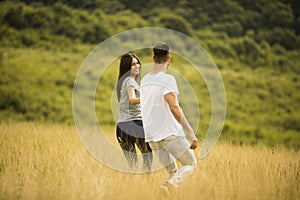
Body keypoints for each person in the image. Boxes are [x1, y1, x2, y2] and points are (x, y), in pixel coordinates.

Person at [140, 42, 198, 192]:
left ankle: (167, 190)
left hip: (152, 136)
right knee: (190, 164)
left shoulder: (145, 80)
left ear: (153, 58)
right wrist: (190, 132)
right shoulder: (168, 80)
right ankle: (170, 186)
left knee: (172, 172)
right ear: (169, 59)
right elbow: (174, 107)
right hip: (169, 133)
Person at [116, 53, 153, 171]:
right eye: (133, 64)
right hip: (135, 124)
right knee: (148, 156)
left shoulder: (123, 82)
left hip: (121, 127)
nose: (137, 66)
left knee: (133, 164)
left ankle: (132, 185)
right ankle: (146, 184)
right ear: (127, 67)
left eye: (137, 63)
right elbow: (132, 100)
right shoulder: (130, 81)